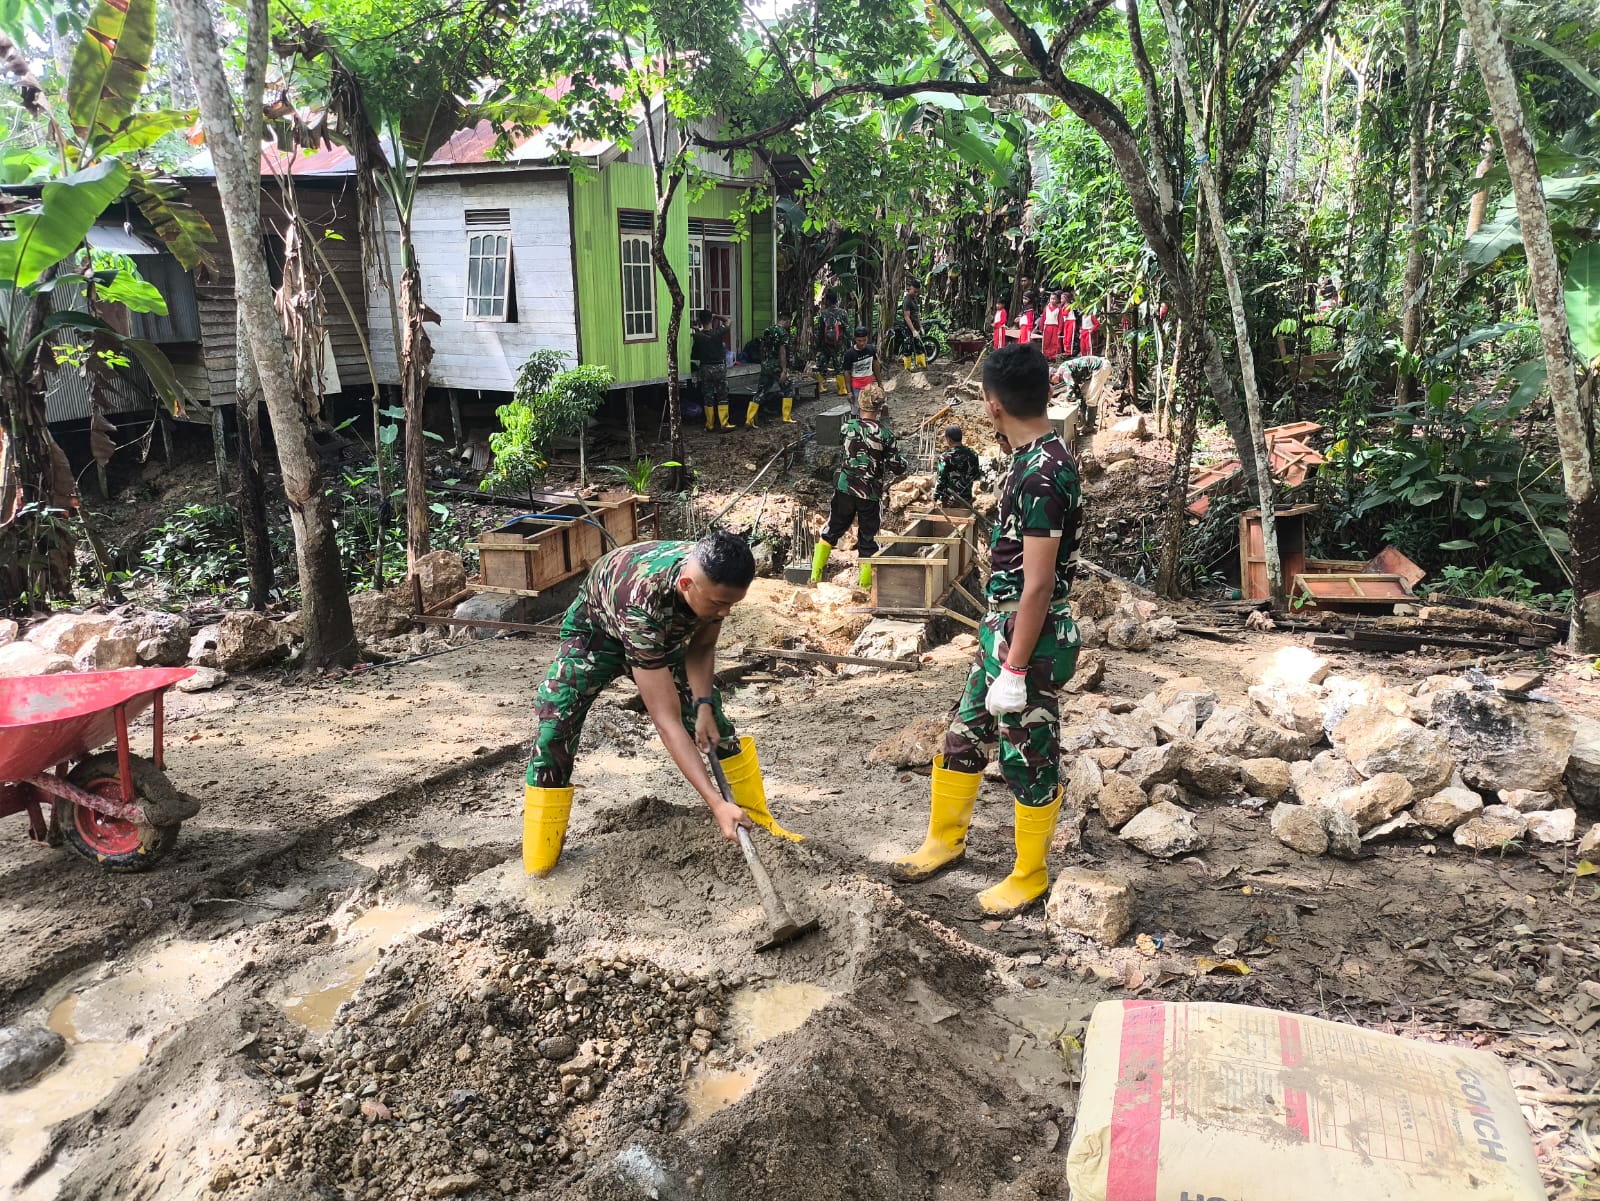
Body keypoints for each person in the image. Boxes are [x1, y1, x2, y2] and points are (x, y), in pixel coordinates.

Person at [891, 344, 1083, 916]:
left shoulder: (1044, 474)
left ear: (992, 405)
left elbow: (1040, 585)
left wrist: (1018, 667)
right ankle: (944, 840)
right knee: (964, 735)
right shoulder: (1033, 460)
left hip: (1032, 634)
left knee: (1028, 753)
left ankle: (1030, 873)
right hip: (1003, 631)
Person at [523, 532, 802, 876]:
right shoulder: (643, 601)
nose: (725, 612)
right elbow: (665, 719)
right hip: (596, 635)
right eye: (718, 604)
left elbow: (700, 649)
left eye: (732, 604)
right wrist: (714, 803)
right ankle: (540, 859)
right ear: (687, 584)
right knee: (556, 726)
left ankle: (755, 823)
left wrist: (702, 706)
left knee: (718, 727)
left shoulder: (712, 578)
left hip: (661, 637)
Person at [809, 384, 907, 589]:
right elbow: (897, 467)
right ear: (881, 408)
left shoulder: (847, 427)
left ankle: (815, 577)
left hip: (845, 488)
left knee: (832, 529)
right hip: (869, 494)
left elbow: (841, 443)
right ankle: (864, 588)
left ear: (859, 403)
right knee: (868, 539)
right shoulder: (885, 435)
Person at [691, 310, 732, 431]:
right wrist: (716, 316)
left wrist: (697, 326)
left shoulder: (697, 336)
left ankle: (710, 424)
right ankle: (724, 423)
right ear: (711, 320)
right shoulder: (718, 332)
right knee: (722, 396)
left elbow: (694, 355)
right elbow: (729, 321)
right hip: (719, 367)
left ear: (701, 321)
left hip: (705, 368)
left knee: (708, 396)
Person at [753, 313, 795, 426]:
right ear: (786, 321)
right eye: (789, 322)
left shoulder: (767, 330)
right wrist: (784, 370)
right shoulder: (783, 333)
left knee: (761, 391)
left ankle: (749, 419)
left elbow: (762, 347)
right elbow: (782, 352)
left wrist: (763, 361)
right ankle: (786, 417)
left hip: (766, 364)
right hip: (776, 365)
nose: (789, 325)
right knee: (788, 387)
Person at [934, 425, 982, 508]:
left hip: (949, 501)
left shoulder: (944, 457)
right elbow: (976, 475)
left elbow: (940, 481)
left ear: (948, 439)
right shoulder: (973, 454)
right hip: (966, 500)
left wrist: (934, 498)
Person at [814, 289, 850, 397]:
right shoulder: (843, 312)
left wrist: (818, 344)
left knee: (822, 365)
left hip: (825, 344)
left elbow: (820, 330)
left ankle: (820, 387)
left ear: (828, 301)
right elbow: (847, 328)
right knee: (839, 366)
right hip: (839, 344)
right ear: (836, 300)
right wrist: (850, 341)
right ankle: (842, 389)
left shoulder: (823, 313)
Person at [840, 325, 881, 414]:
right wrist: (849, 392)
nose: (862, 343)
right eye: (859, 341)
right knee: (856, 410)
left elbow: (876, 365)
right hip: (856, 387)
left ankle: (869, 425)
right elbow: (847, 373)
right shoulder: (850, 354)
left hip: (869, 386)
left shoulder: (871, 349)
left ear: (867, 338)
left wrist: (880, 383)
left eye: (864, 340)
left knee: (870, 407)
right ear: (855, 339)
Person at [897, 280, 926, 370]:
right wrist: (913, 330)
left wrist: (920, 327)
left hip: (915, 326)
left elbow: (917, 315)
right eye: (914, 291)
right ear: (910, 289)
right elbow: (907, 317)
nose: (916, 294)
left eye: (917, 292)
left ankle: (921, 365)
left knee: (918, 346)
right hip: (908, 328)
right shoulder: (907, 300)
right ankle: (908, 368)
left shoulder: (914, 299)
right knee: (908, 347)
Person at [1040, 290, 1062, 360]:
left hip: (1055, 326)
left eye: (1054, 299)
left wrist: (1059, 329)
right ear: (1049, 299)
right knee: (1046, 342)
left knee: (1054, 342)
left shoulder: (1059, 309)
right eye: (1051, 299)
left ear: (1057, 300)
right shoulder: (1046, 308)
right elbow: (1043, 318)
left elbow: (1060, 320)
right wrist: (1041, 327)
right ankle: (1045, 355)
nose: (1053, 300)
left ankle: (1053, 356)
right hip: (1047, 326)